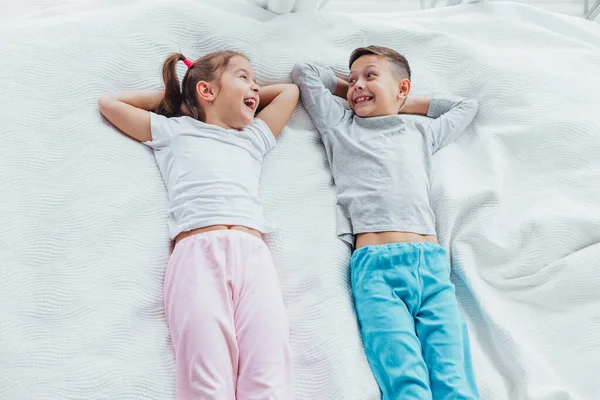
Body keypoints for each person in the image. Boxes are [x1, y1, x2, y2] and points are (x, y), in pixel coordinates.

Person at [99, 50, 299, 399]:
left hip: (253, 254)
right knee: (205, 374)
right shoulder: (173, 130)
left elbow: (289, 93)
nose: (254, 87)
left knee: (269, 368)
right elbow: (109, 103)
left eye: (255, 81)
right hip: (197, 255)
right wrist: (181, 98)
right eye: (243, 77)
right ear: (207, 91)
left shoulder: (253, 138)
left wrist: (242, 92)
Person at [292, 45, 480, 400]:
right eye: (352, 80)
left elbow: (466, 107)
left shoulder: (420, 133)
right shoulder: (341, 126)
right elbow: (306, 71)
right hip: (376, 270)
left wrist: (398, 103)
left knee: (453, 377)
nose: (357, 85)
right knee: (403, 378)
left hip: (431, 265)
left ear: (403, 88)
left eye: (370, 76)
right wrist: (353, 94)